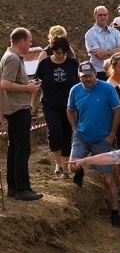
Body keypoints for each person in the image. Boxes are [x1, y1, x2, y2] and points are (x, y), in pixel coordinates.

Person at [67, 62, 120, 225]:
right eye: (84, 76)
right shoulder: (75, 90)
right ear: (80, 77)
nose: (88, 79)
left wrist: (112, 134)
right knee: (72, 167)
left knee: (107, 179)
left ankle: (114, 211)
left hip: (102, 138)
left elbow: (117, 111)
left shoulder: (107, 89)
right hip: (82, 136)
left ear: (95, 75)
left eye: (90, 76)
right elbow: (70, 110)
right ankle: (80, 172)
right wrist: (74, 128)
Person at [1, 27, 43, 200]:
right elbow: (5, 83)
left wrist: (27, 84)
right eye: (29, 41)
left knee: (14, 148)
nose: (31, 44)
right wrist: (27, 88)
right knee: (22, 150)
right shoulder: (12, 58)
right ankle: (22, 189)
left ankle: (13, 187)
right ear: (21, 41)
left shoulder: (9, 56)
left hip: (14, 109)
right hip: (18, 109)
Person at [34, 35, 79, 179]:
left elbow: (79, 84)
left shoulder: (72, 64)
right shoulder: (45, 64)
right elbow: (36, 83)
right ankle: (58, 163)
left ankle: (65, 167)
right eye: (57, 52)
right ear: (52, 51)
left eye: (63, 52)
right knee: (55, 131)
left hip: (69, 106)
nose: (60, 55)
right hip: (50, 105)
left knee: (67, 133)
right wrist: (32, 102)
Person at [84, 6, 120, 79]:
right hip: (99, 72)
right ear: (94, 16)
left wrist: (107, 52)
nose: (103, 17)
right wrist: (116, 52)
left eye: (105, 15)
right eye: (100, 15)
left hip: (115, 72)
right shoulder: (90, 34)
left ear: (108, 16)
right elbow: (100, 56)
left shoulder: (115, 32)